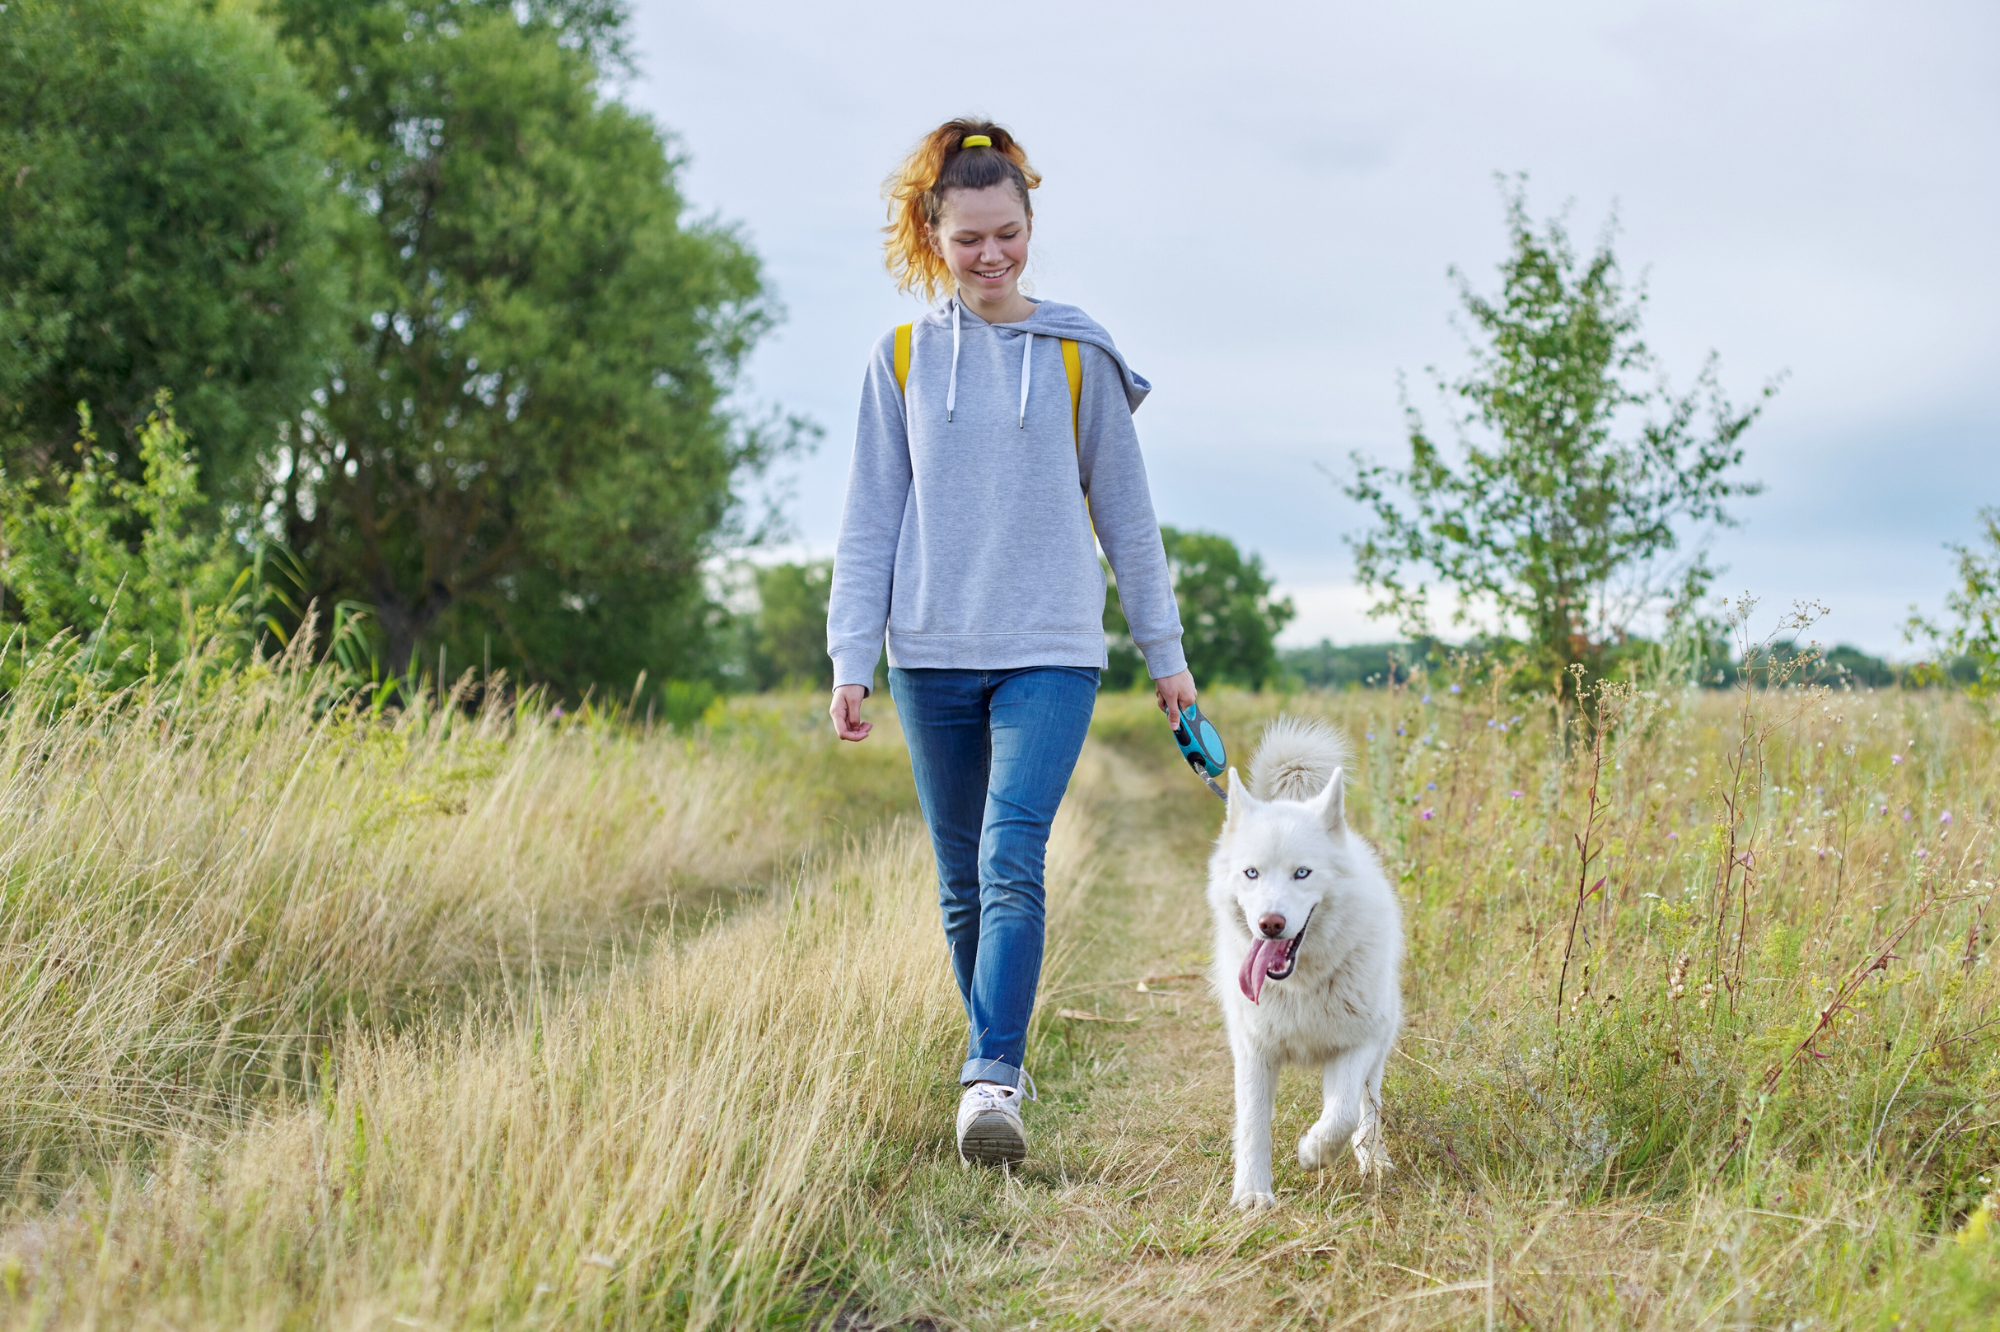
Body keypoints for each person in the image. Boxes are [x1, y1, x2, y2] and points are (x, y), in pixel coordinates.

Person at [826, 118, 1194, 1167]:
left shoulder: (1079, 356)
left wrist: (1162, 658)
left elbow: (1128, 521)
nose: (990, 258)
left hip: (1051, 647)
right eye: (968, 239)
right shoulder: (898, 359)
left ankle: (989, 1076)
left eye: (1007, 235)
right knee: (957, 881)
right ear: (932, 235)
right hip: (930, 651)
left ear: (1031, 224)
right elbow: (868, 519)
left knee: (1007, 853)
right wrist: (851, 656)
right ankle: (1000, 1059)